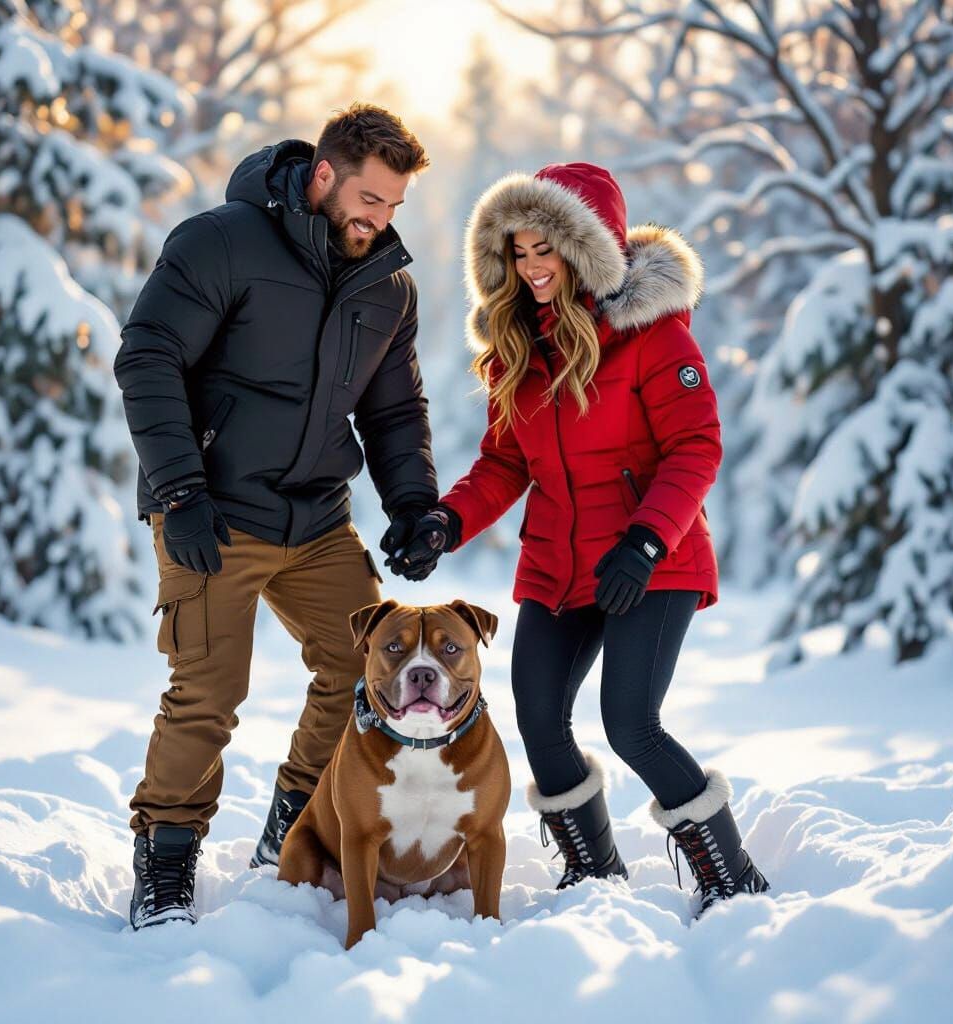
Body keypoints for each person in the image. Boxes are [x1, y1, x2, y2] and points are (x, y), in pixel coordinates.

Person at [389, 163, 770, 916]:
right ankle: (594, 874)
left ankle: (733, 881)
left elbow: (697, 447)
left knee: (631, 723)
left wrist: (647, 542)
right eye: (519, 252)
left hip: (649, 563)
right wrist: (448, 521)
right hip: (561, 564)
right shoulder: (517, 348)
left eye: (547, 251)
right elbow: (504, 463)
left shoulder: (654, 337)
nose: (531, 268)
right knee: (537, 718)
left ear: (587, 251)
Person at [113, 104, 441, 929]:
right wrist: (181, 491)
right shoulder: (222, 242)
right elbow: (146, 355)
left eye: (394, 207)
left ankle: (292, 826)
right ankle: (166, 863)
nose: (379, 220)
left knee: (366, 667)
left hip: (317, 519)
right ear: (324, 175)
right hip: (213, 509)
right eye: (370, 199)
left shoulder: (388, 284)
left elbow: (396, 412)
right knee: (208, 692)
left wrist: (414, 507)